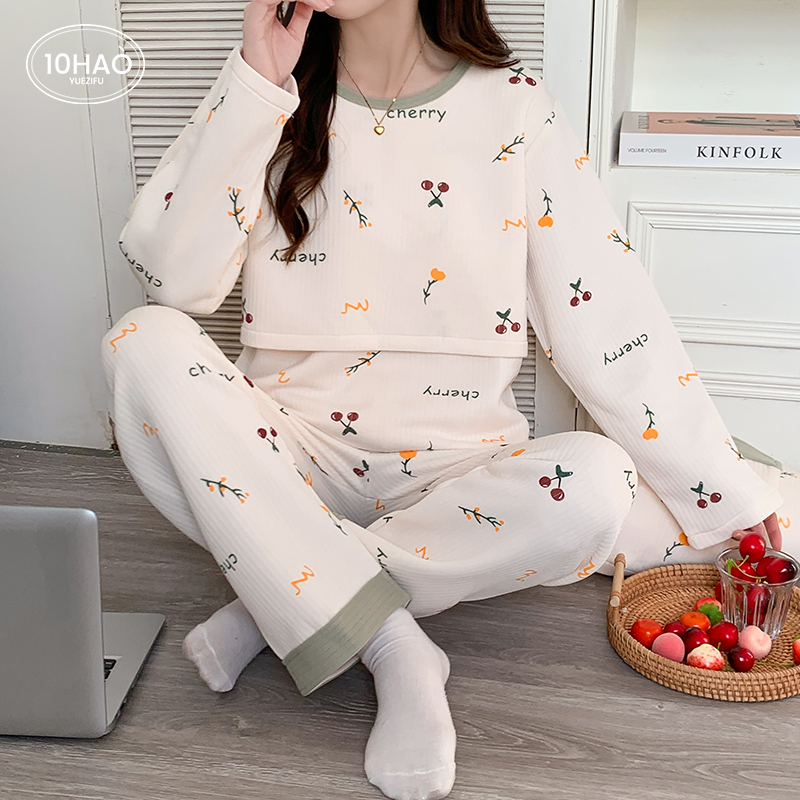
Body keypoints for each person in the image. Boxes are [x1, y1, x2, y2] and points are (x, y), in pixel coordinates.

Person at [100, 1, 799, 798]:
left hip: (455, 478)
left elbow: (609, 319)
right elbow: (174, 281)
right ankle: (393, 643)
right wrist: (257, 82)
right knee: (140, 340)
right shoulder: (270, 94)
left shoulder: (515, 108)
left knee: (598, 482)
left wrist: (721, 487)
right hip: (286, 458)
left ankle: (283, 589)